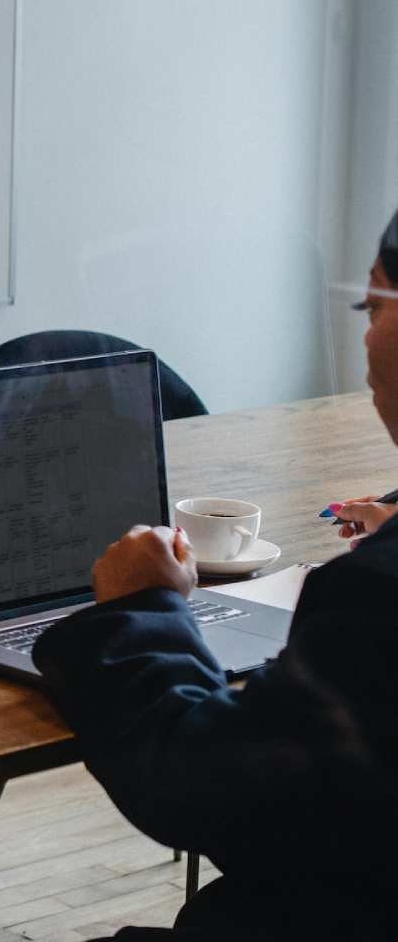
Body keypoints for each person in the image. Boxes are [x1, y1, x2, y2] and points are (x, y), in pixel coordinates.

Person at [31, 211, 398, 940]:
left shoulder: (376, 596)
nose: (364, 332)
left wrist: (144, 606)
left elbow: (201, 789)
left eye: (375, 305)